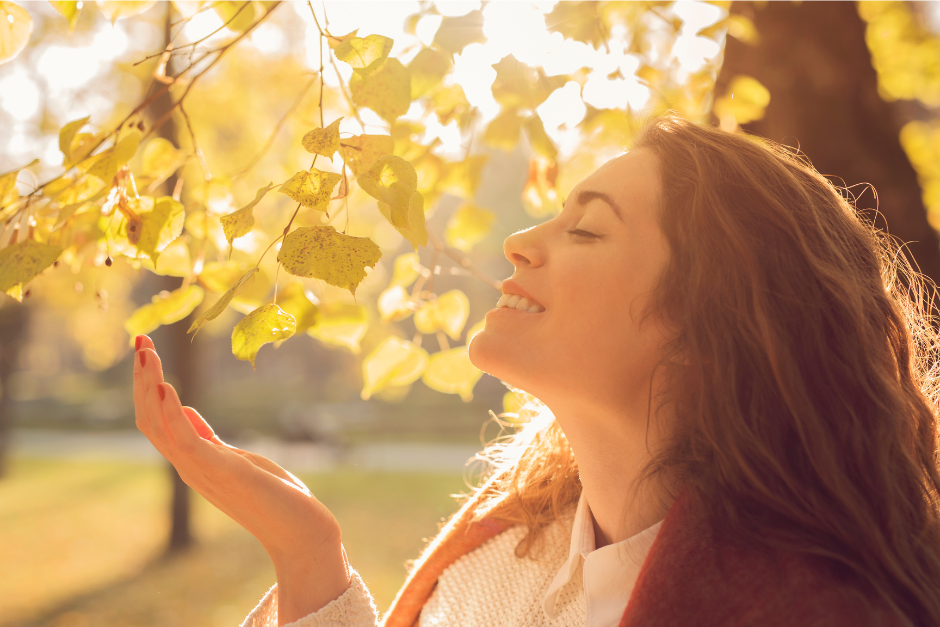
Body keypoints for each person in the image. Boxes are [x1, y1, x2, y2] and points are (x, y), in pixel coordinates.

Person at [131, 113, 940, 627]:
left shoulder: (815, 611)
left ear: (706, 324)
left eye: (586, 230)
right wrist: (308, 557)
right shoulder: (502, 555)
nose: (521, 239)